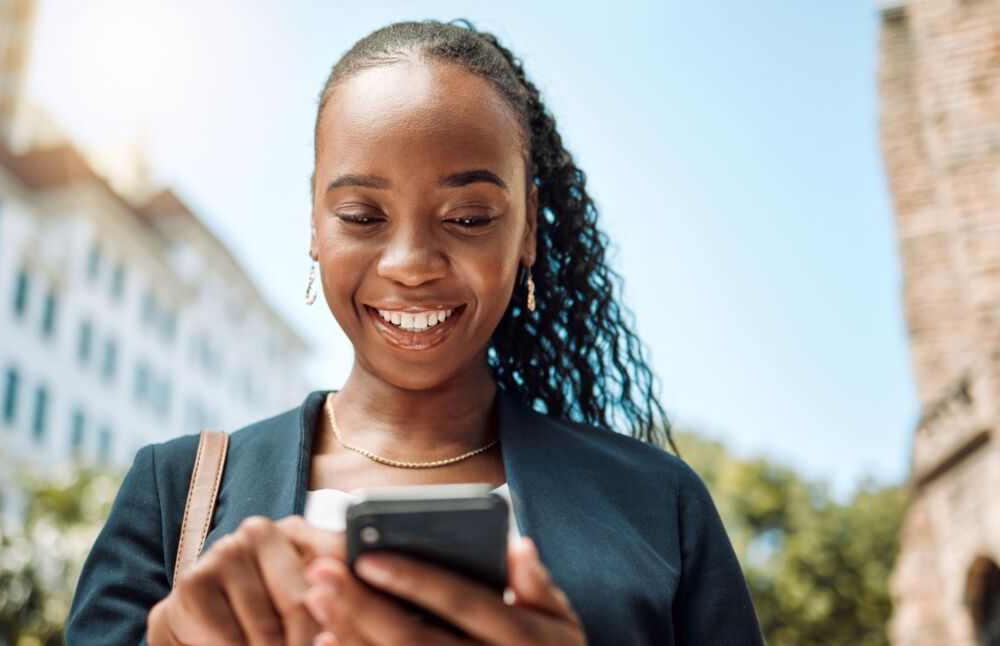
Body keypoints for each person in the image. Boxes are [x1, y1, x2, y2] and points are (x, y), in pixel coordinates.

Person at [66, 20, 763, 645]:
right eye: (362, 217)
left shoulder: (660, 504)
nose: (410, 264)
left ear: (527, 228)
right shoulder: (175, 492)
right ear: (315, 224)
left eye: (468, 218)